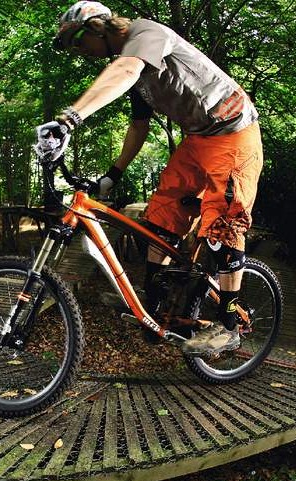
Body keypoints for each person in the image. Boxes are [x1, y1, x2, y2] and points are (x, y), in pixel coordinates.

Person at [34, 1, 263, 357]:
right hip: (198, 138)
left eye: (78, 43)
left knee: (222, 226)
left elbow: (126, 68)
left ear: (97, 27)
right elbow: (139, 125)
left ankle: (230, 326)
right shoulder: (133, 72)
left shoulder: (146, 35)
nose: (79, 53)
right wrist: (112, 175)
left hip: (233, 131)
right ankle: (157, 309)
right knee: (161, 218)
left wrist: (69, 119)